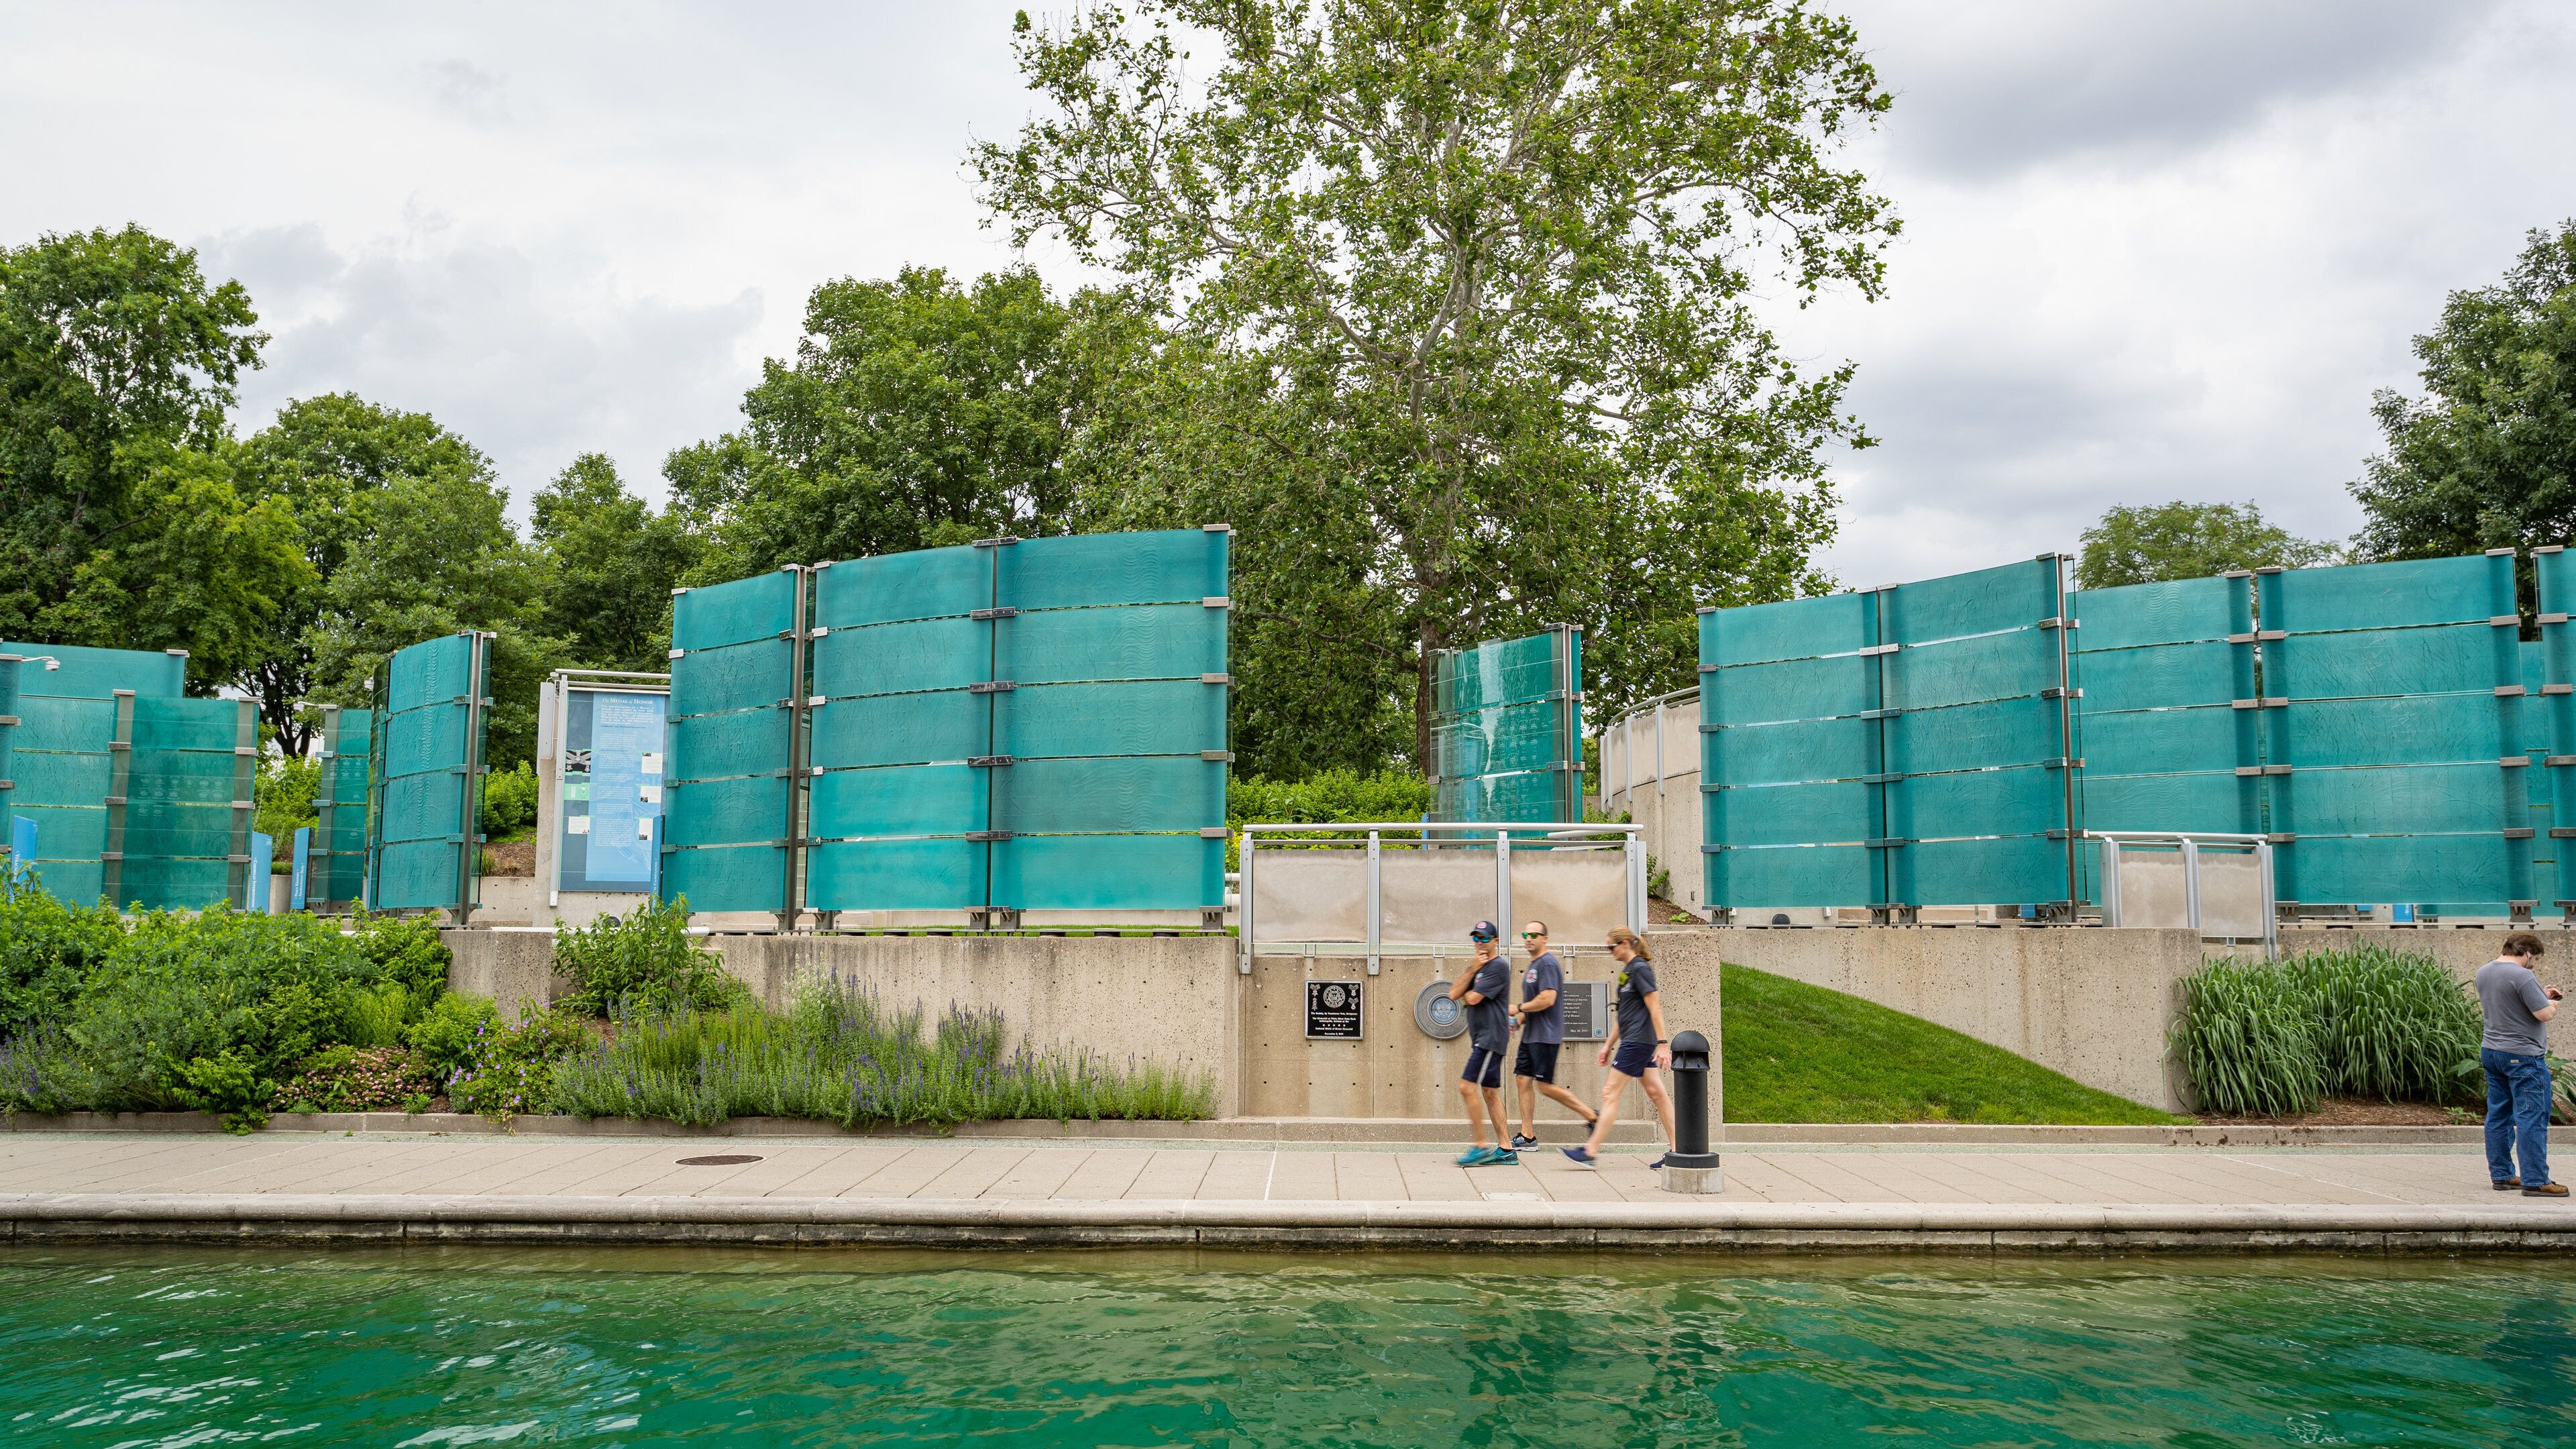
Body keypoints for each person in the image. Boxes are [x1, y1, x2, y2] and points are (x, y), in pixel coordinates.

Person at [1564, 926, 1677, 1167]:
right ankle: (1678, 1152)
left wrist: (1664, 1044)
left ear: (1625, 943)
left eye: (1611, 947)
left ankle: (1590, 1151)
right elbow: (1623, 1014)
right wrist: (1607, 1046)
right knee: (1658, 1094)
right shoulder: (1628, 972)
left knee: (1609, 1093)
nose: (1610, 952)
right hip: (1634, 1040)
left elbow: (1654, 1007)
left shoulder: (1641, 969)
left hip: (1638, 1042)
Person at [2477, 931, 2565, 1197]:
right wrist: (2550, 1001)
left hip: (2492, 1050)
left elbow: (2510, 1002)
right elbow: (2544, 1014)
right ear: (2527, 953)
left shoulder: (2485, 971)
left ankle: (2502, 1176)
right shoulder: (2523, 975)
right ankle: (2536, 1180)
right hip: (2523, 1055)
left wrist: (2539, 993)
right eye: (2534, 958)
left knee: (2499, 1114)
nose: (2534, 963)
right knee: (2532, 1116)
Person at [1507, 920, 1597, 1149]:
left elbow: (1548, 999)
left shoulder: (1547, 964)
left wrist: (1518, 1008)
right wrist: (1522, 1019)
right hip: (1532, 1035)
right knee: (1522, 1080)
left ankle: (1593, 1117)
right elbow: (1536, 1001)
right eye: (1526, 934)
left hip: (1545, 1036)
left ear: (1545, 939)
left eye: (1534, 935)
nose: (1529, 938)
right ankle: (1527, 1136)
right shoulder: (1535, 964)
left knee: (1545, 1086)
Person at [1449, 920, 1517, 1166]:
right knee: (1489, 1091)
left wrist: (1468, 990)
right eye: (1476, 938)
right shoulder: (1478, 967)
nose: (1479, 942)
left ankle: (1480, 1146)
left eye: (1485, 938)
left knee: (1467, 1088)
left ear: (1496, 941)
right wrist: (1471, 970)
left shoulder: (1498, 967)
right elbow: (1452, 994)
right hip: (1483, 1037)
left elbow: (1473, 998)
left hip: (1490, 1037)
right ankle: (1507, 1149)